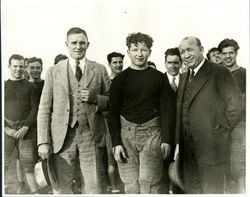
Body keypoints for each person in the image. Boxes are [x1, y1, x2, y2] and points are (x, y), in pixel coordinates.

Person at [37, 27, 111, 194]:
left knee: (93, 186)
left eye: (82, 43)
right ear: (67, 44)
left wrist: (95, 98)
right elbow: (44, 109)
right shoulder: (53, 71)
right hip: (62, 139)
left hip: (90, 136)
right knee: (63, 187)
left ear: (88, 44)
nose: (78, 46)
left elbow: (112, 102)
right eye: (74, 43)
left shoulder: (99, 70)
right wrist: (43, 141)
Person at [108, 32, 175, 194]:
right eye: (135, 49)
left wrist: (166, 139)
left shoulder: (159, 78)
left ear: (150, 52)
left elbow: (167, 110)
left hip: (153, 134)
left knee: (150, 183)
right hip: (126, 136)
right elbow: (113, 113)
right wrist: (116, 143)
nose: (139, 54)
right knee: (130, 184)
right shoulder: (120, 80)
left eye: (144, 50)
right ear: (128, 51)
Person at [176, 36, 242, 194]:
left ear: (201, 50)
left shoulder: (219, 72)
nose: (186, 55)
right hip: (188, 151)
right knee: (192, 191)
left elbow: (236, 105)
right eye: (182, 51)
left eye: (190, 49)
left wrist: (220, 130)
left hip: (212, 149)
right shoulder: (184, 76)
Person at [4, 54, 39, 194]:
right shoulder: (4, 85)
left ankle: (35, 193)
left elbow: (35, 109)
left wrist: (26, 126)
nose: (18, 69)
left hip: (26, 132)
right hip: (7, 131)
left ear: (25, 67)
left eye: (21, 66)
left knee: (28, 166)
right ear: (9, 67)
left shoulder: (31, 87)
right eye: (15, 66)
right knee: (4, 164)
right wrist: (6, 128)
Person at [218, 38, 246, 193]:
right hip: (219, 126)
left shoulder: (244, 74)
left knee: (238, 166)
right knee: (223, 166)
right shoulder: (217, 74)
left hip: (239, 126)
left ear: (236, 53)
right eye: (224, 53)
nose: (227, 56)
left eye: (231, 53)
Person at [161, 47, 182, 194]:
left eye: (176, 62)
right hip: (163, 134)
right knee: (163, 169)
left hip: (183, 134)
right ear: (165, 63)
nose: (172, 66)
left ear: (180, 63)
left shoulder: (189, 80)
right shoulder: (158, 80)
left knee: (181, 170)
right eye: (169, 62)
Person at [104, 52, 125, 193]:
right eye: (115, 62)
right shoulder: (107, 82)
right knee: (112, 157)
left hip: (127, 123)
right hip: (110, 124)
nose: (118, 65)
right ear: (109, 64)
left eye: (120, 62)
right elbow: (103, 104)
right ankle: (114, 188)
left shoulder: (127, 78)